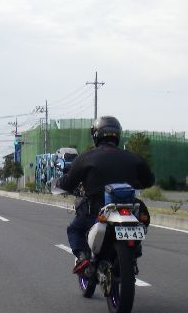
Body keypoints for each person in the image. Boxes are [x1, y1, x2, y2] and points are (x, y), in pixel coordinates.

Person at [56, 116, 155, 273]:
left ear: (96, 135)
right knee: (142, 220)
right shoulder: (132, 157)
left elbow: (68, 182)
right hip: (129, 207)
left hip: (97, 208)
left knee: (75, 229)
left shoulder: (87, 157)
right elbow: (149, 180)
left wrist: (59, 183)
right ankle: (134, 252)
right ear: (118, 135)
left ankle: (82, 257)